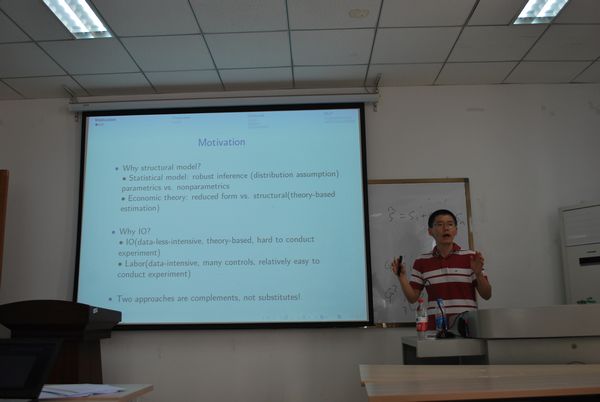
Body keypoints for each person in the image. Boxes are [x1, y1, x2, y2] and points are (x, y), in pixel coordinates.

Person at [391, 209, 492, 332]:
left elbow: (487, 295)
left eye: (450, 224)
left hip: (467, 328)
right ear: (430, 231)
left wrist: (478, 273)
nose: (446, 228)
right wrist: (402, 277)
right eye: (439, 224)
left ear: (456, 230)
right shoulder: (421, 261)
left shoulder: (470, 257)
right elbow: (412, 298)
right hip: (436, 329)